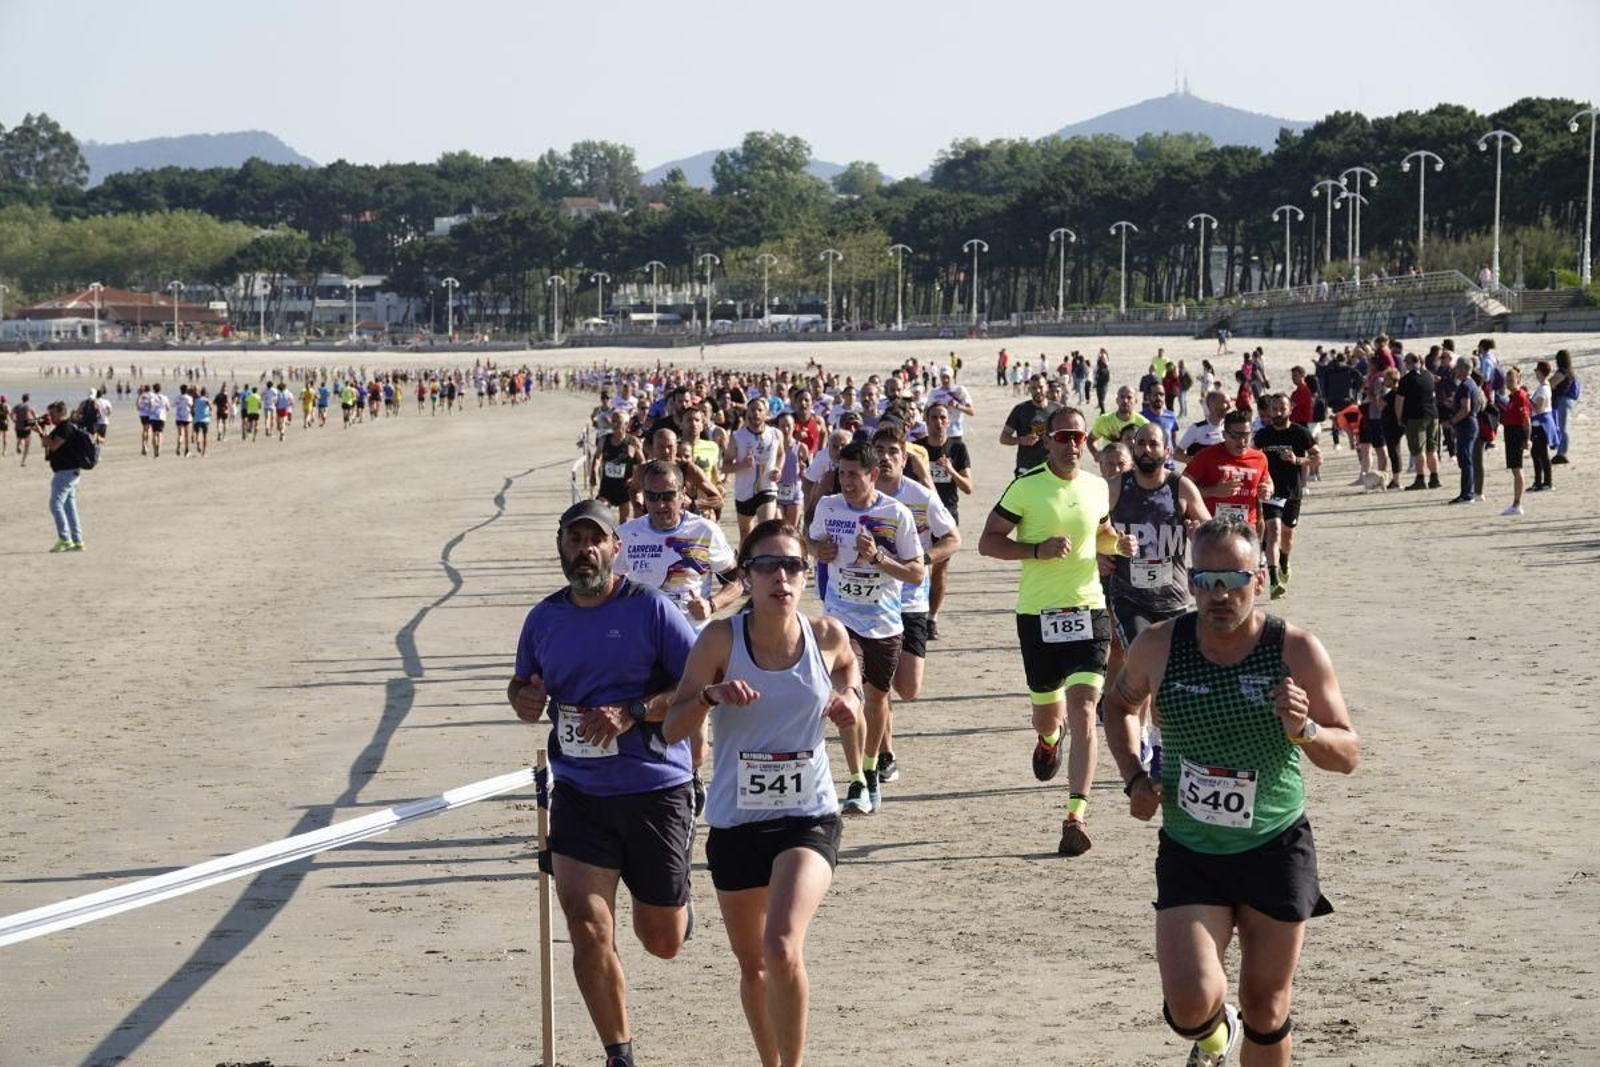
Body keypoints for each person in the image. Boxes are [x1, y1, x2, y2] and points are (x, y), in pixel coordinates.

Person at [1102, 516, 1360, 1067]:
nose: (1219, 595)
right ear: (1190, 581)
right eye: (1206, 581)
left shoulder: (1295, 650)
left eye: (1233, 580)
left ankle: (1243, 1031)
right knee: (1191, 1002)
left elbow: (1348, 754)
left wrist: (1305, 730)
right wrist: (1133, 778)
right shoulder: (1159, 645)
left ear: (1258, 579)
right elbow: (1118, 705)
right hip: (1192, 848)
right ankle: (1216, 1035)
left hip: (1274, 844)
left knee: (1266, 1007)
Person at [663, 520, 863, 1067]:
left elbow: (849, 668)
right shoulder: (721, 640)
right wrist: (709, 695)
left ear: (805, 576)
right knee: (752, 965)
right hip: (736, 823)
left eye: (793, 566)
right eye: (768, 565)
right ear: (747, 577)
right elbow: (672, 727)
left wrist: (850, 697)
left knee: (781, 948)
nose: (782, 576)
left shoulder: (827, 635)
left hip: (808, 817)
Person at [507, 500, 699, 1067]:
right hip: (579, 791)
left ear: (616, 547)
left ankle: (679, 905)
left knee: (660, 940)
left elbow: (696, 689)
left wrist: (633, 711)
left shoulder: (652, 610)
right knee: (588, 927)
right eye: (574, 539)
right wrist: (525, 699)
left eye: (596, 539)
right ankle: (620, 1055)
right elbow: (520, 692)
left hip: (653, 788)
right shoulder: (543, 618)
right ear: (560, 546)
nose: (584, 549)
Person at [978, 406, 1139, 856]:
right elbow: (987, 541)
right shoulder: (1026, 488)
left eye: (1079, 437)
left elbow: (1101, 532)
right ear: (1045, 440)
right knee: (1049, 716)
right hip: (1038, 615)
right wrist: (1037, 549)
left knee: (1086, 708)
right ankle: (1049, 739)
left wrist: (1118, 542)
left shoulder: (1095, 487)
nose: (1072, 445)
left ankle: (1076, 816)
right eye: (1064, 436)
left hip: (1089, 610)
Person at [807, 439, 924, 816]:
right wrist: (817, 551)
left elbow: (917, 571)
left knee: (876, 700)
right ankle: (855, 777)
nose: (846, 481)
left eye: (854, 474)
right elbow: (811, 541)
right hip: (842, 618)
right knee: (847, 695)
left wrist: (878, 557)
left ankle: (872, 769)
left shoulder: (896, 514)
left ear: (873, 474)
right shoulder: (828, 506)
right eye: (841, 473)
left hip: (885, 621)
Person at [1105, 422, 1211, 777]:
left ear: (1167, 451)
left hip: (1174, 598)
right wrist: (1101, 552)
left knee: (1165, 677)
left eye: (1154, 444)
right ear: (1133, 449)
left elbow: (1210, 534)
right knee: (1146, 666)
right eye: (1141, 444)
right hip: (1129, 597)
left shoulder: (1181, 487)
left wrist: (1197, 533)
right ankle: (1138, 751)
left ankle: (1158, 742)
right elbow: (1090, 529)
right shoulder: (1118, 487)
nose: (1146, 449)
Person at [872, 423, 961, 781]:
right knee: (876, 686)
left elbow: (953, 538)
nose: (887, 457)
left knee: (907, 688)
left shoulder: (920, 495)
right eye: (880, 450)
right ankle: (885, 754)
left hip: (911, 601)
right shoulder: (861, 495)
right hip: (873, 603)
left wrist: (923, 560)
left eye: (894, 451)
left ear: (905, 457)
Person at [1253, 395, 1319, 599]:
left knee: (1287, 537)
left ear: (1290, 409)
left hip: (1292, 491)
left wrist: (1297, 459)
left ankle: (1284, 559)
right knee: (1272, 531)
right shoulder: (1262, 435)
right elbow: (1251, 458)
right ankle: (1274, 581)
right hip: (1271, 491)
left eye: (1282, 408)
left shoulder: (1300, 433)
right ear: (1269, 411)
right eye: (1274, 408)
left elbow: (1318, 457)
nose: (1278, 412)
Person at [921, 401, 973, 639]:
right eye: (934, 417)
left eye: (943, 417)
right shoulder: (917, 449)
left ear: (949, 421)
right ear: (926, 420)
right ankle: (915, 615)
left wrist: (951, 471)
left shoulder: (957, 448)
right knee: (918, 566)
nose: (938, 422)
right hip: (918, 514)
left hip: (946, 514)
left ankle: (932, 619)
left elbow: (968, 487)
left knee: (940, 570)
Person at [1183, 410, 1273, 535]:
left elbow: (1267, 481)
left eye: (1246, 435)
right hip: (1213, 529)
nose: (1242, 441)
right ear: (1224, 434)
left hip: (1247, 529)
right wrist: (1214, 491)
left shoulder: (1259, 458)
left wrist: (1268, 490)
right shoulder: (1205, 456)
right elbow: (1181, 488)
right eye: (1235, 436)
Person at [38, 401, 93, 552]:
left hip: (66, 472)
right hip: (69, 472)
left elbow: (54, 445)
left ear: (61, 413)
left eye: (52, 414)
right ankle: (78, 541)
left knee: (55, 504)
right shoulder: (61, 428)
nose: (50, 417)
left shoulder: (65, 427)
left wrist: (45, 437)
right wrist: (40, 430)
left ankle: (65, 538)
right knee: (69, 507)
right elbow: (45, 444)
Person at [727, 400, 783, 540]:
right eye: (752, 410)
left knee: (766, 530)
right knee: (746, 535)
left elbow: (781, 453)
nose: (755, 413)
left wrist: (778, 468)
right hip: (744, 492)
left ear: (766, 414)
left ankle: (766, 560)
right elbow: (724, 466)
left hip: (767, 488)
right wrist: (742, 465)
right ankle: (744, 561)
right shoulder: (737, 437)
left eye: (759, 410)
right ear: (747, 413)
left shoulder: (776, 434)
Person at [1397, 353, 1441, 491]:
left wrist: (1399, 417)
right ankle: (1434, 478)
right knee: (1432, 448)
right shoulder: (1429, 376)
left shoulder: (1406, 380)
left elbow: (1399, 401)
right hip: (1433, 414)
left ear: (1410, 363)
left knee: (1418, 449)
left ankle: (1420, 478)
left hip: (1416, 417)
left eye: (1406, 362)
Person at [593, 410, 646, 520]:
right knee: (600, 513)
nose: (615, 424)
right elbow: (597, 456)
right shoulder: (604, 439)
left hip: (625, 487)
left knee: (625, 520)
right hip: (607, 486)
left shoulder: (633, 442)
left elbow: (642, 462)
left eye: (618, 421)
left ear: (626, 424)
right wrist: (594, 471)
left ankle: (620, 537)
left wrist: (636, 478)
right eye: (613, 421)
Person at [1001, 374, 1058, 476]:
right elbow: (1004, 438)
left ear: (1047, 387)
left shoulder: (1058, 410)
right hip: (1026, 468)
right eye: (1034, 388)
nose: (1038, 391)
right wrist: (1022, 440)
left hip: (1052, 468)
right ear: (1029, 389)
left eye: (1041, 387)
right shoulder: (1020, 410)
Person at [1447, 357, 1484, 505]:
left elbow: (1466, 408)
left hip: (1466, 425)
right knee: (1466, 459)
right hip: (1470, 424)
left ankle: (1467, 493)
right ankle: (1466, 492)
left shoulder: (1465, 386)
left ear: (1462, 369)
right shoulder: (1471, 384)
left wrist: (1452, 421)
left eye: (1456, 368)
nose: (1455, 370)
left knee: (1465, 459)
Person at [1499, 366, 1531, 516]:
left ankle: (1517, 504)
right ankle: (1516, 503)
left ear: (1518, 380)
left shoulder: (1520, 396)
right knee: (1514, 469)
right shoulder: (1512, 397)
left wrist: (1527, 439)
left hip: (1517, 434)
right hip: (1510, 433)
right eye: (1507, 380)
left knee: (1517, 469)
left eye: (1512, 380)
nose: (1509, 383)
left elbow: (1526, 421)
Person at [1091, 386, 1149, 458]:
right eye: (1122, 397)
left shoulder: (1144, 424)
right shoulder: (1104, 420)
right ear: (1117, 400)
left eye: (1129, 397)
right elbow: (1091, 440)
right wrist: (1096, 454)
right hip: (1109, 464)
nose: (1125, 400)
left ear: (1136, 401)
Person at [1529, 360, 1559, 493]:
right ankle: (1539, 482)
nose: (1535, 373)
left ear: (1540, 372)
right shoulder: (1544, 387)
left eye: (1537, 370)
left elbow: (1539, 408)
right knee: (1536, 452)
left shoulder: (1543, 389)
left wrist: (1528, 401)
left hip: (1541, 425)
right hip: (1539, 424)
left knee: (1541, 453)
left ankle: (1547, 482)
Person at [1177, 390, 1229, 460]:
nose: (1229, 406)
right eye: (1225, 402)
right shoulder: (1197, 428)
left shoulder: (1229, 428)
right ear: (1212, 406)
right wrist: (1197, 463)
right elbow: (1177, 454)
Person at [929, 367, 975, 442]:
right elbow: (927, 412)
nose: (945, 380)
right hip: (938, 432)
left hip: (955, 432)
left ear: (952, 377)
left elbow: (971, 411)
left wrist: (957, 406)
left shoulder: (960, 391)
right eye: (943, 377)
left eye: (947, 377)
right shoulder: (935, 393)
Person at [1550, 349, 1578, 464]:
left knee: (1563, 427)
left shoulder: (1562, 372)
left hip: (1563, 400)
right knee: (1562, 427)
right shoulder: (1571, 372)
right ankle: (1561, 451)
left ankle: (1562, 453)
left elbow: (1551, 383)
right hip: (1569, 401)